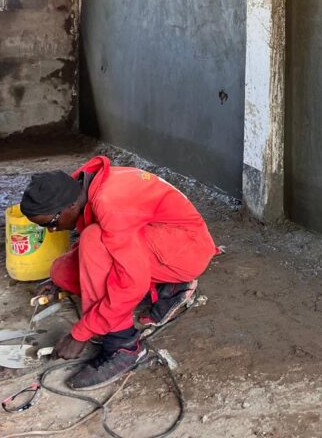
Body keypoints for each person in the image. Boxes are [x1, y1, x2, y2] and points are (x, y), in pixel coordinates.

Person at [19, 155, 219, 390]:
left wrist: (81, 333)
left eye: (51, 223)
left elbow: (130, 282)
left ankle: (123, 346)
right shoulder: (81, 187)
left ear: (70, 206)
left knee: (94, 241)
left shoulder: (111, 204)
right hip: (158, 240)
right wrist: (57, 282)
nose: (52, 231)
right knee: (63, 272)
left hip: (185, 251)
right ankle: (166, 288)